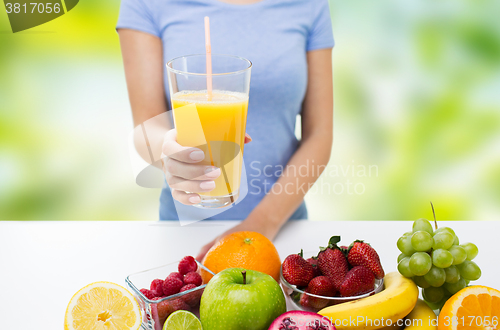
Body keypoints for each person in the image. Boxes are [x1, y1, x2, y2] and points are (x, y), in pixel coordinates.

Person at [117, 0, 334, 260]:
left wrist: (261, 225)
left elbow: (319, 134)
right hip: (183, 236)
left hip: (285, 231)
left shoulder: (309, 4)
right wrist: (168, 155)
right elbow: (147, 126)